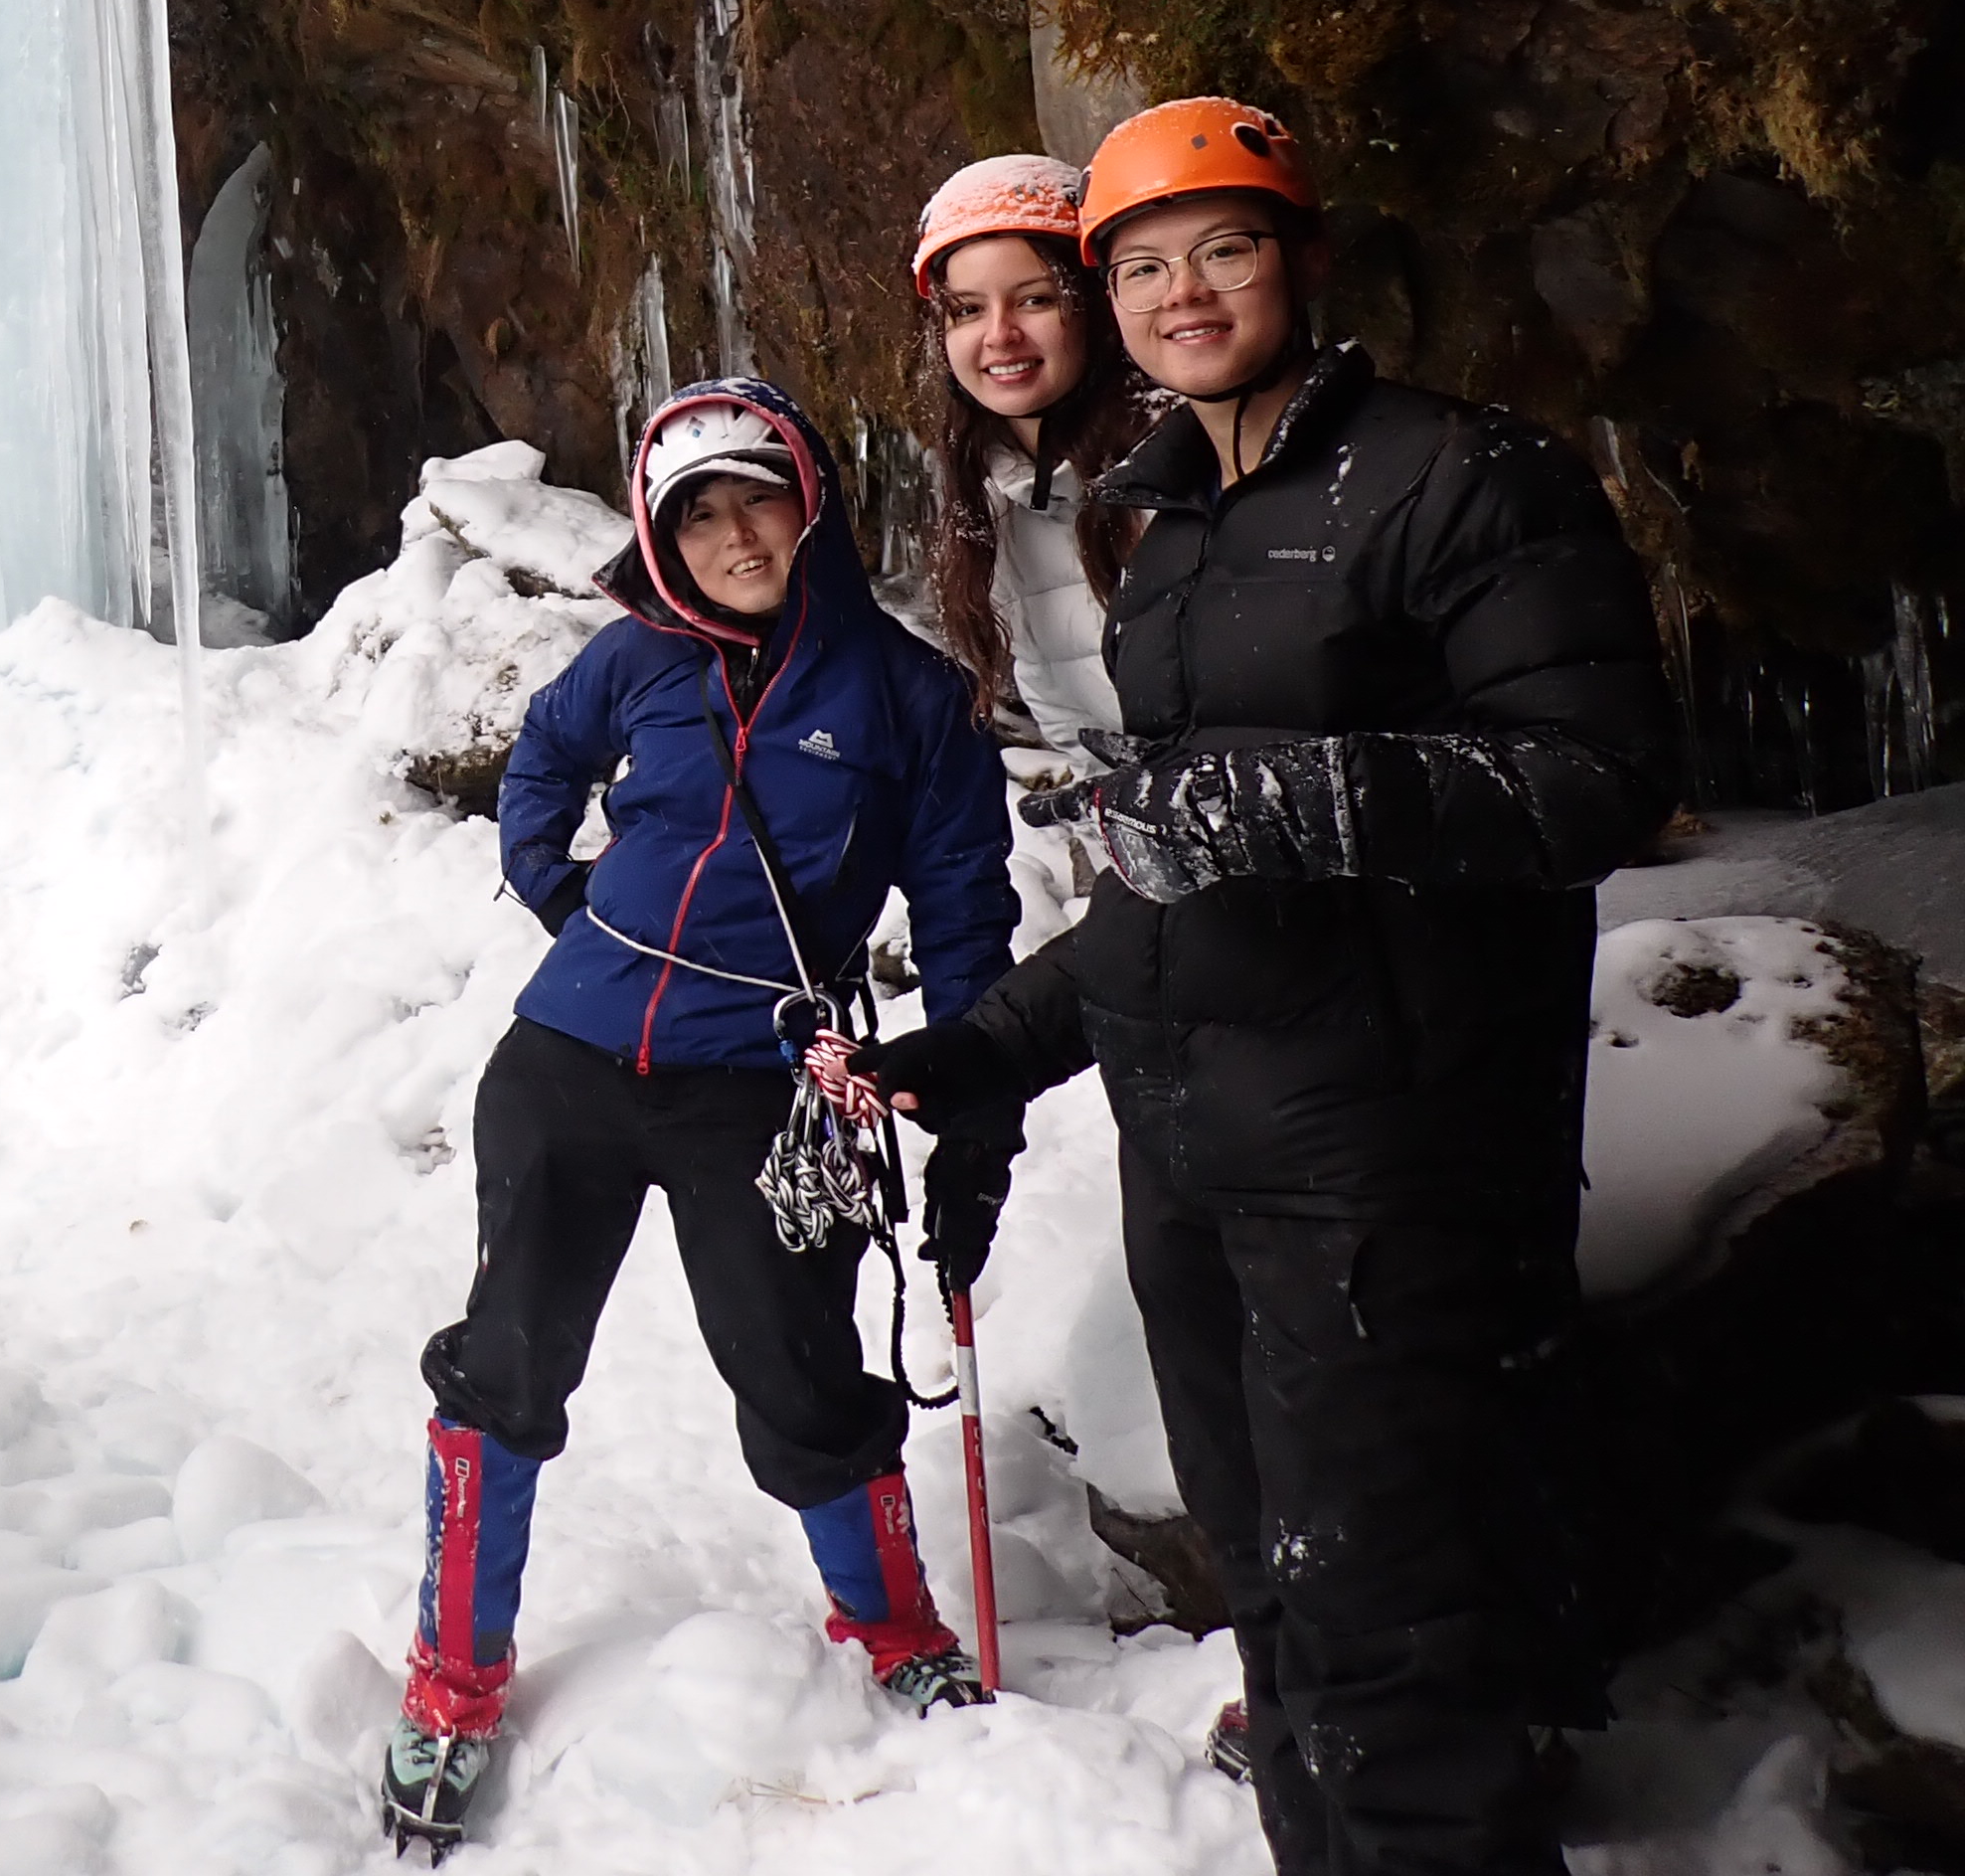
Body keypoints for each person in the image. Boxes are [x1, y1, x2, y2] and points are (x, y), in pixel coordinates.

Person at [858, 98, 1680, 1876]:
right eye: (1141, 265)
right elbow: (1169, 889)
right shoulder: (1174, 536)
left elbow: (1597, 780)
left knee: (1390, 1655)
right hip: (1201, 1166)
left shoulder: (1460, 476)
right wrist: (976, 1058)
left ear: (1301, 260)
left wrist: (1300, 794)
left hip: (1379, 1161)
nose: (1180, 292)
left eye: (1220, 249)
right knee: (1292, 1634)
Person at [382, 379, 1024, 1862]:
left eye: (758, 497)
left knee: (799, 1374)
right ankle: (452, 1682)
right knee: (508, 1363)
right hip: (569, 1068)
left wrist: (974, 1089)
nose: (736, 532)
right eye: (700, 512)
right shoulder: (636, 660)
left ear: (811, 501)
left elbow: (963, 908)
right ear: (665, 541)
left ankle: (894, 1628)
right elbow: (541, 761)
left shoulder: (908, 699)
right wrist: (555, 890)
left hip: (758, 1086)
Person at [908, 154, 1157, 936]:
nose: (999, 336)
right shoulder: (994, 497)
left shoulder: (1182, 467)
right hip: (1150, 876)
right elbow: (1079, 732)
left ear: (1095, 304)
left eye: (1036, 299)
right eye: (965, 311)